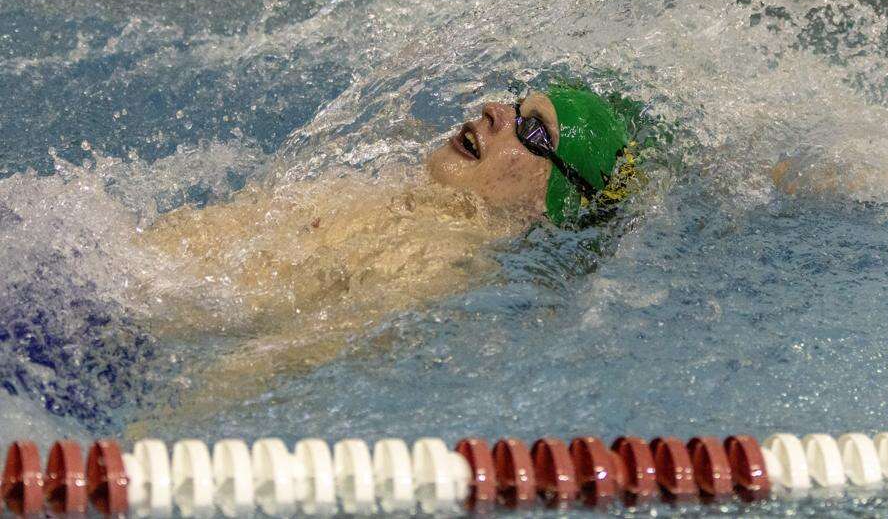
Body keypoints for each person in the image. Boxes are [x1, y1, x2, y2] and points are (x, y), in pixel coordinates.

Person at [129, 81, 664, 428]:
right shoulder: (393, 191)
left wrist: (147, 437)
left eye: (531, 129)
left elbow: (280, 360)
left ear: (548, 204)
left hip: (131, 354)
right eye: (516, 103)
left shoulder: (436, 263)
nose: (494, 111)